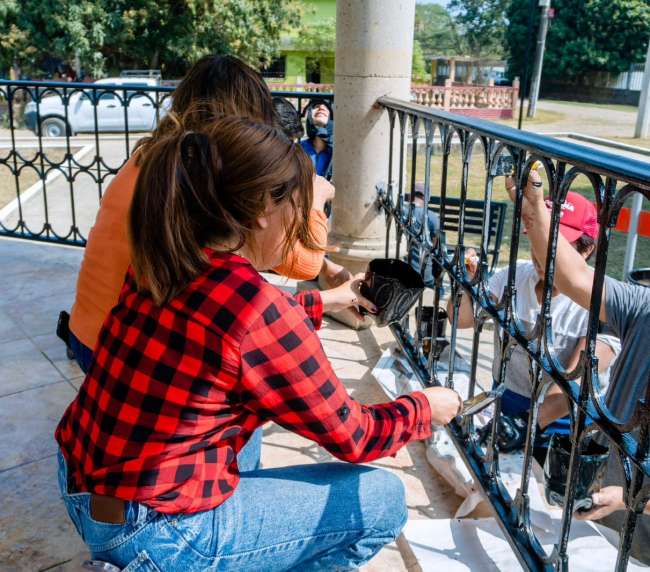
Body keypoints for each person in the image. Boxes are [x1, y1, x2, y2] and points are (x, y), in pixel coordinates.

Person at [55, 116, 463, 572]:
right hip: (154, 531)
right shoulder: (255, 309)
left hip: (81, 485)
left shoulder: (168, 256)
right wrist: (425, 408)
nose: (300, 222)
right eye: (298, 206)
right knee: (381, 498)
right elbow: (356, 436)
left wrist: (327, 300)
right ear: (263, 209)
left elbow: (226, 326)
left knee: (243, 435)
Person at [68, 56, 333, 374]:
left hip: (87, 330)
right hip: (130, 353)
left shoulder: (152, 153)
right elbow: (304, 265)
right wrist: (316, 200)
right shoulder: (213, 177)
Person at [509, 167, 650, 519]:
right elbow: (573, 276)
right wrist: (533, 210)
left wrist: (627, 497)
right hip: (605, 475)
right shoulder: (642, 304)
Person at [452, 190, 618, 461]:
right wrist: (466, 283)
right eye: (538, 241)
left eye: (557, 248)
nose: (542, 255)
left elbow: (577, 379)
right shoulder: (513, 276)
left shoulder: (604, 301)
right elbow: (461, 320)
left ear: (587, 249)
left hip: (564, 426)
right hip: (506, 402)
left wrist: (525, 423)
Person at [300, 98, 333, 178]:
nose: (321, 107)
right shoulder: (299, 148)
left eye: (326, 107)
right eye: (316, 106)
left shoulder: (338, 152)